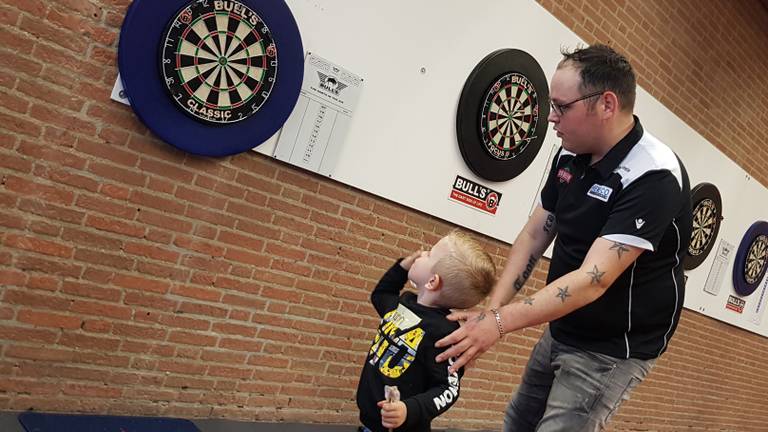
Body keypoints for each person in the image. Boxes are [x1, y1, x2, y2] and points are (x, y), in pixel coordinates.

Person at [435, 44, 693, 432]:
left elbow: (594, 279)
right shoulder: (570, 153)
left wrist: (500, 323)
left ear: (606, 104)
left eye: (561, 106)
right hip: (565, 324)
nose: (551, 118)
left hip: (612, 348)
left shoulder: (653, 176)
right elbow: (535, 234)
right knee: (519, 421)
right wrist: (493, 308)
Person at [356, 230, 496, 432]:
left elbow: (448, 389)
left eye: (429, 254)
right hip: (371, 420)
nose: (422, 254)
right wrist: (402, 267)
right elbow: (381, 294)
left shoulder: (444, 332)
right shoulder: (405, 303)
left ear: (432, 281)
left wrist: (408, 409)